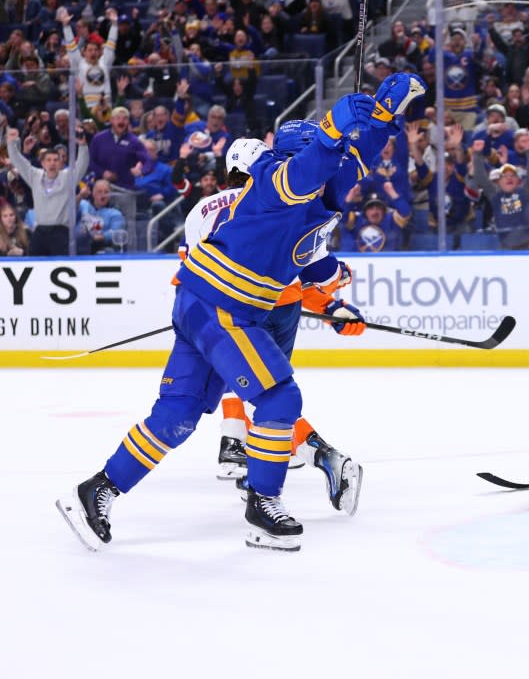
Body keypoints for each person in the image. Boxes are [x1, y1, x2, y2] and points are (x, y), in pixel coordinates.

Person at [56, 72, 426, 553]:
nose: (337, 162)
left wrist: (381, 118)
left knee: (177, 414)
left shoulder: (318, 196)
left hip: (204, 302)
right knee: (280, 399)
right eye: (326, 153)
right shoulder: (277, 183)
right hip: (222, 308)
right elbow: (316, 164)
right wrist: (333, 129)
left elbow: (350, 167)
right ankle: (262, 505)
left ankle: (96, 491)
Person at [179, 134, 365, 514]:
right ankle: (295, 456)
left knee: (245, 379)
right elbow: (307, 272)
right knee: (270, 390)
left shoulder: (200, 210)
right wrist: (331, 305)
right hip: (283, 306)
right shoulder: (284, 202)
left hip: (231, 305)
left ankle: (236, 443)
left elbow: (195, 272)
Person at [6, 125, 89, 256]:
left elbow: (82, 165)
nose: (52, 163)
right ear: (43, 163)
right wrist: (11, 143)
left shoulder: (68, 177)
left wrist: (83, 145)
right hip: (41, 231)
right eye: (49, 160)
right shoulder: (34, 176)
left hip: (61, 231)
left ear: (61, 163)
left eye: (56, 160)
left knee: (61, 263)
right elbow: (18, 162)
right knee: (32, 261)